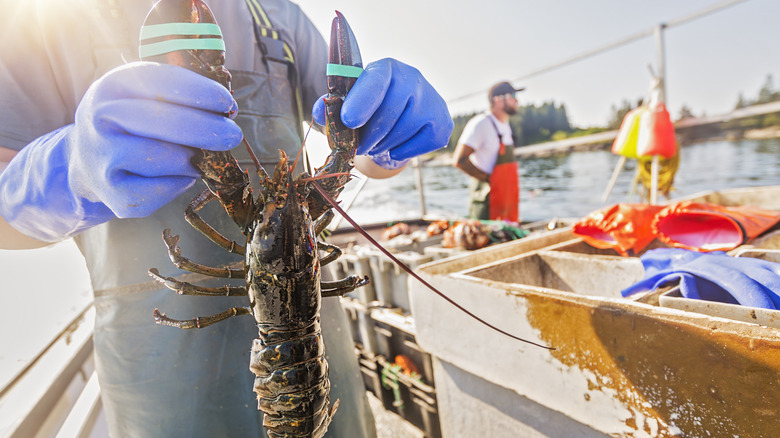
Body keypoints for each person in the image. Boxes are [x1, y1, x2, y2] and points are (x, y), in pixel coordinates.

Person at [0, 1, 453, 437]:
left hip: (320, 355)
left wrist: (391, 138)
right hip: (162, 373)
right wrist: (68, 169)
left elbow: (363, 147)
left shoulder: (277, 13)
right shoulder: (40, 16)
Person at [453, 81, 523, 222]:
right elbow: (459, 160)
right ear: (498, 99)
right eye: (513, 95)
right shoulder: (481, 123)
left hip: (507, 203)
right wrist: (490, 180)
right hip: (487, 204)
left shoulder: (505, 125)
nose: (517, 100)